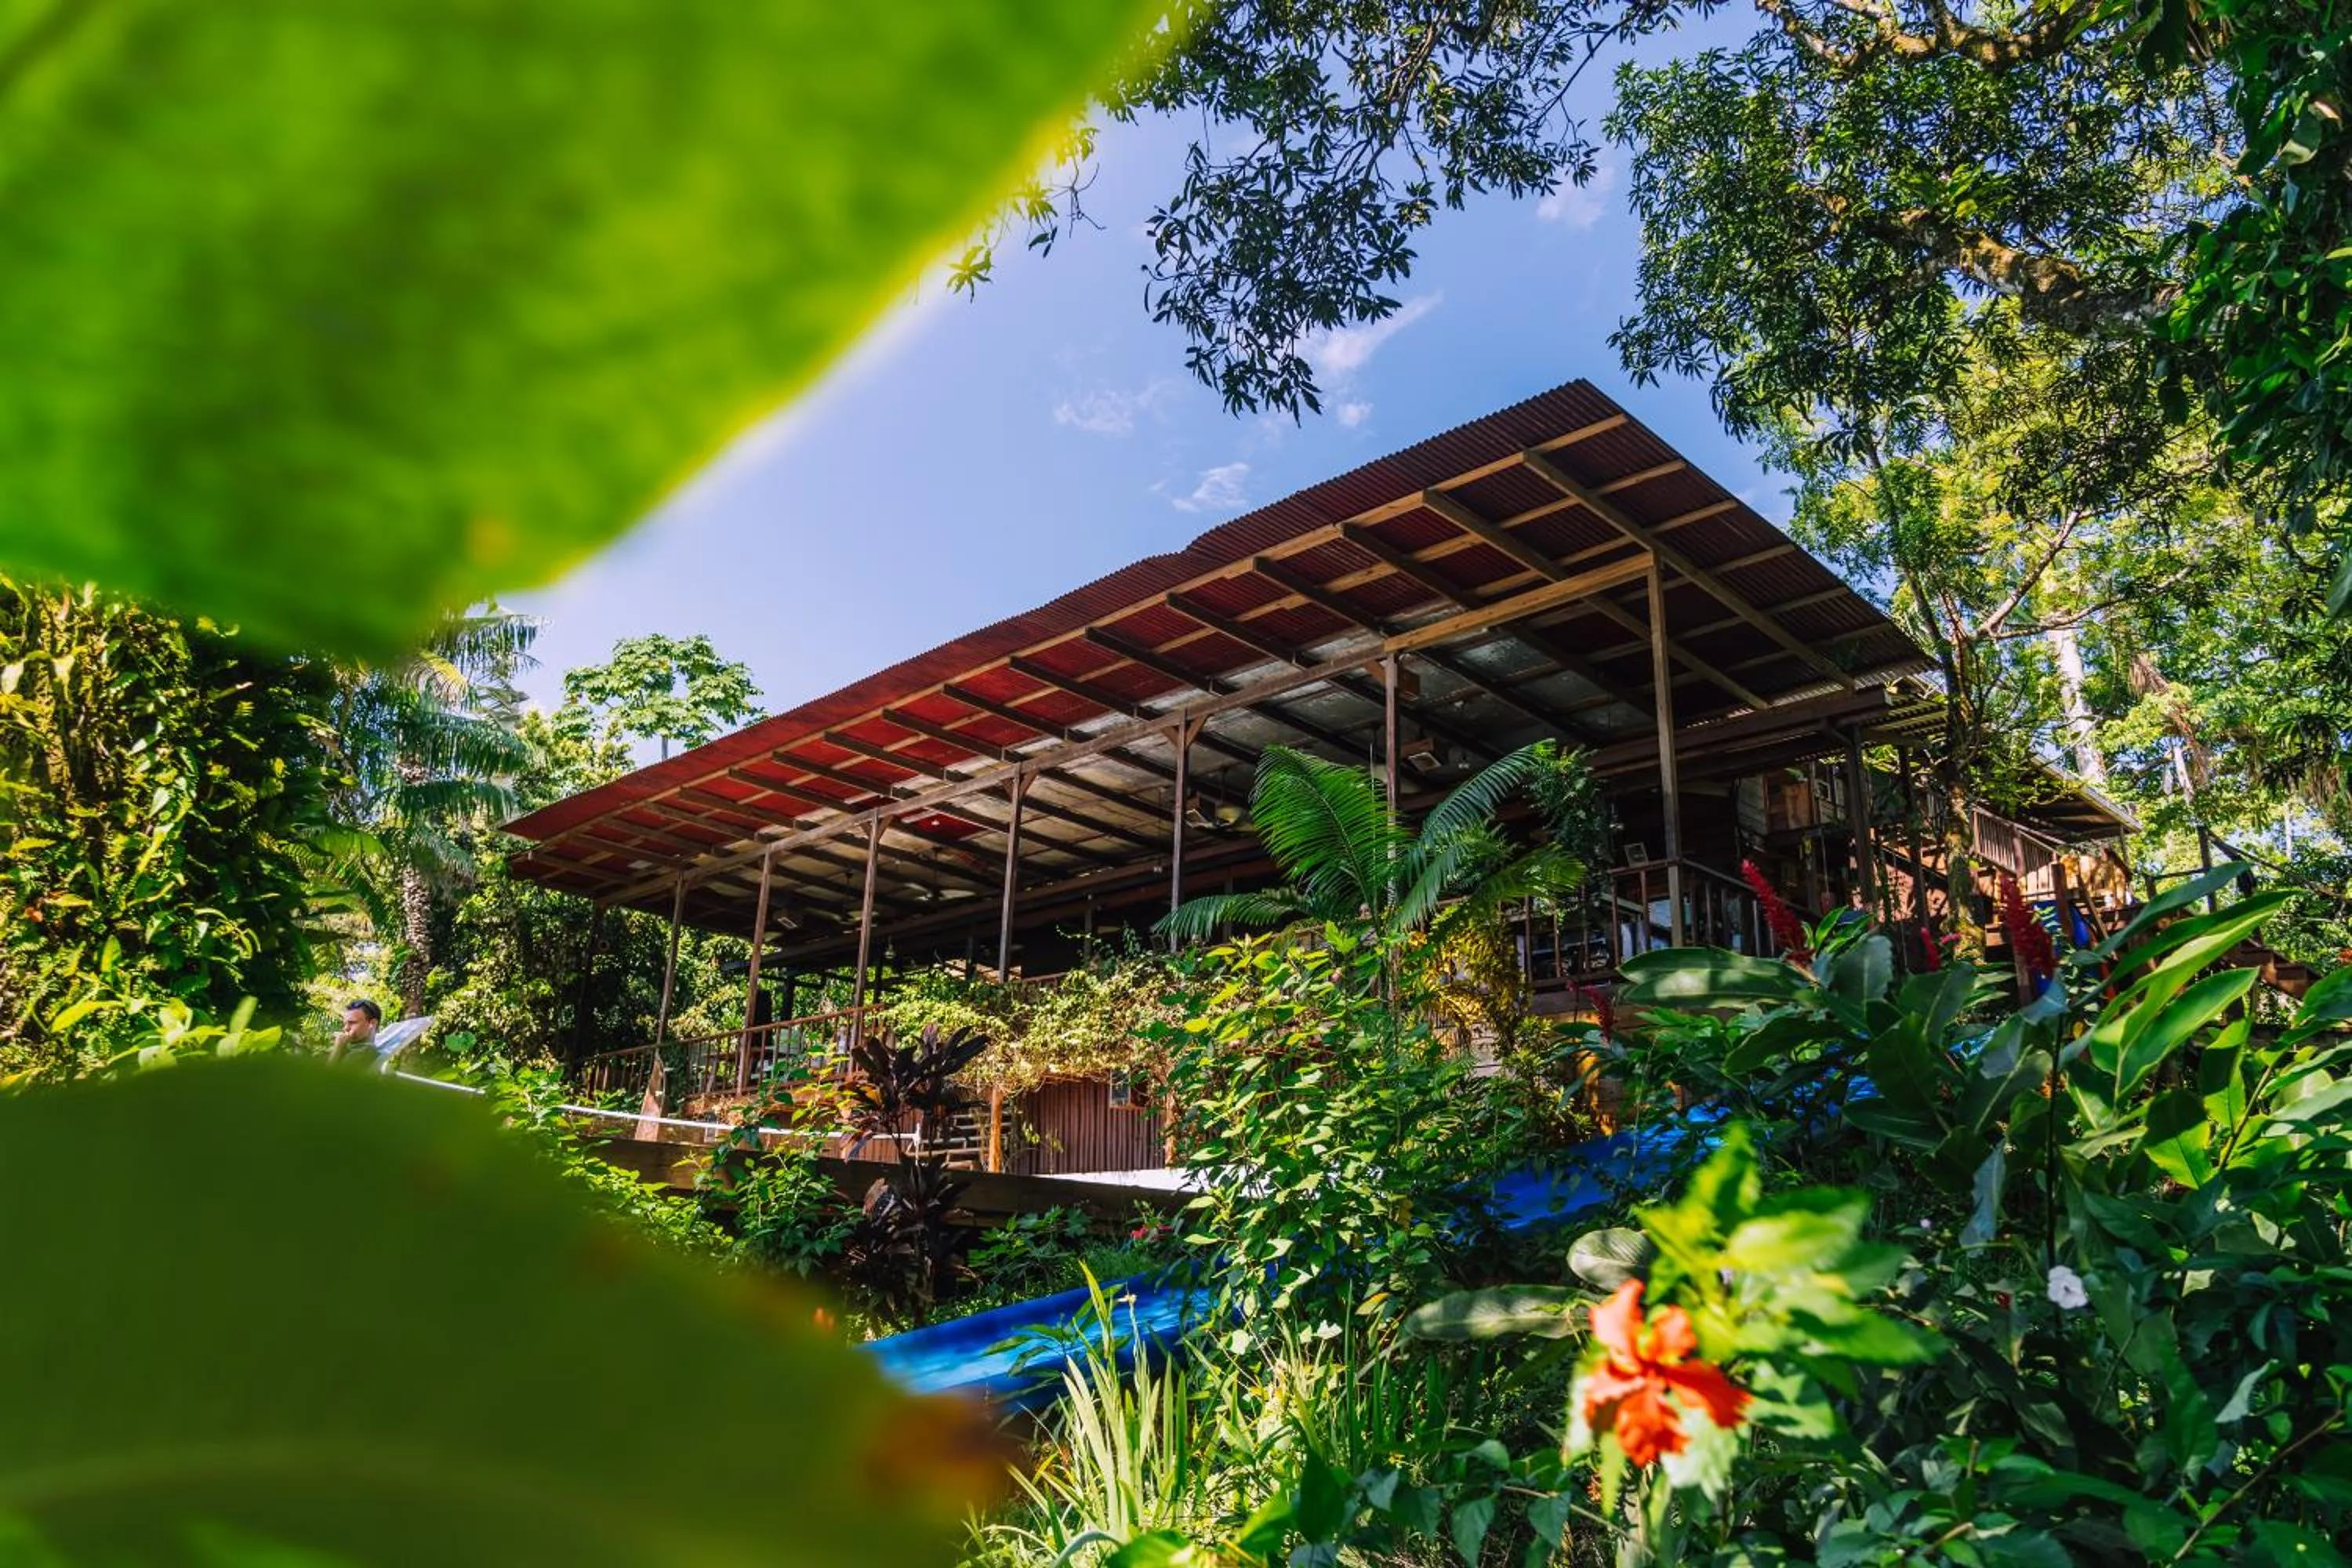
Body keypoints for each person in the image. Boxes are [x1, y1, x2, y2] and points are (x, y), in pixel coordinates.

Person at [332, 998, 382, 1062]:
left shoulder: (366, 1051)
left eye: (352, 1023)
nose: (346, 1028)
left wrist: (338, 1048)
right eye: (345, 1024)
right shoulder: (349, 1046)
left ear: (372, 1023)